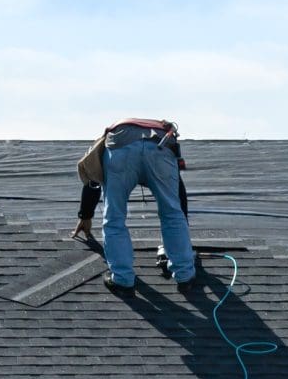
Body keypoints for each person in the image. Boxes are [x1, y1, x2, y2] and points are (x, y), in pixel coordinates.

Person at [75, 118, 197, 291]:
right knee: (172, 213)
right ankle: (185, 276)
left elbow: (94, 177)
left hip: (119, 147)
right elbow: (179, 195)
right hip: (160, 147)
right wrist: (182, 231)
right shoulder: (161, 134)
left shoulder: (107, 138)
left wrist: (85, 215)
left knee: (114, 217)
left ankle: (122, 279)